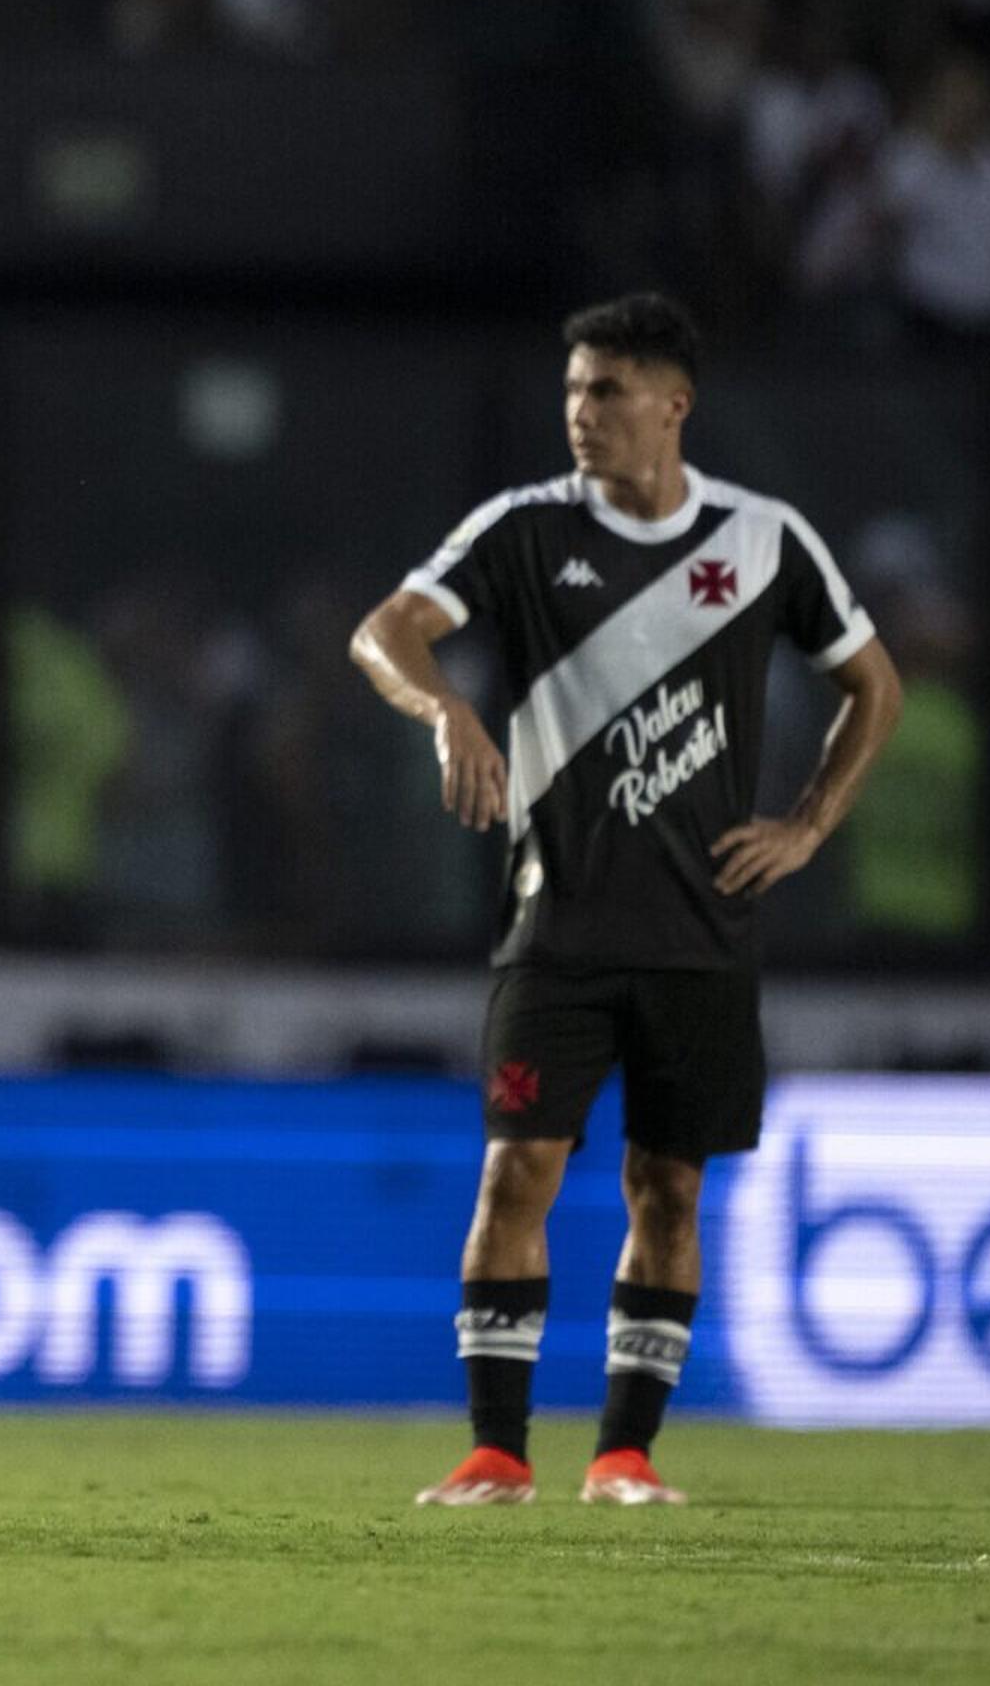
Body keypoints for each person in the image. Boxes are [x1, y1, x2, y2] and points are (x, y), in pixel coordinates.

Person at [349, 293, 900, 1510]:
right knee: (517, 1174)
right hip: (558, 931)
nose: (581, 414)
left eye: (605, 392)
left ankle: (625, 1458)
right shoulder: (525, 531)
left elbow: (874, 685)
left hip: (704, 932)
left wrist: (807, 825)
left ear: (673, 405)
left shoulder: (762, 541)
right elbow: (384, 630)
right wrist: (445, 707)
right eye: (572, 391)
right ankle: (496, 1452)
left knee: (672, 1188)